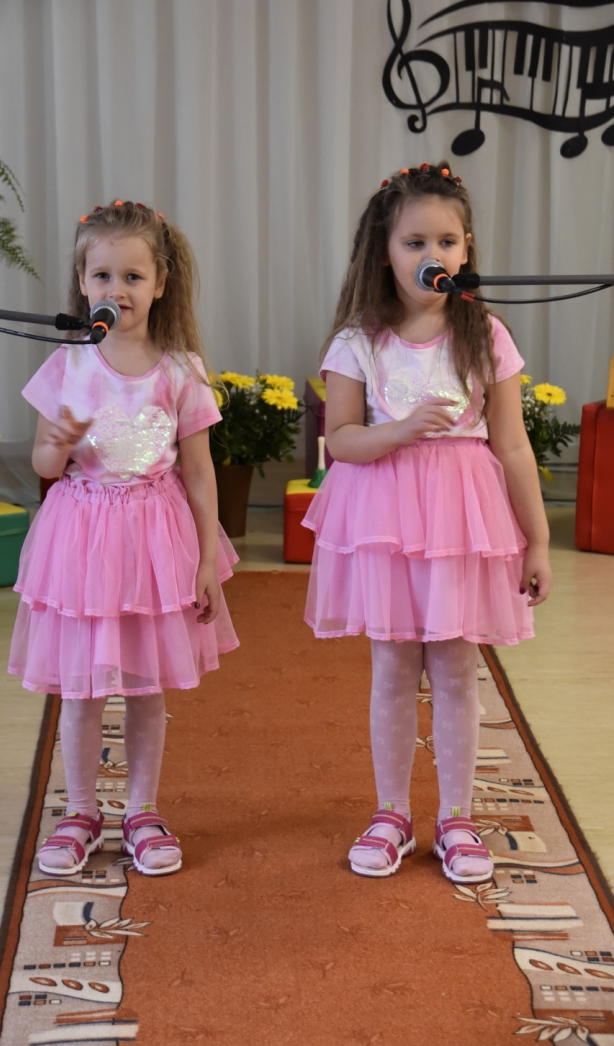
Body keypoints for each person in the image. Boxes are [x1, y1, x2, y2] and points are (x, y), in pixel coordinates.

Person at [303, 163, 551, 883]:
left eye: (446, 241)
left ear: (467, 249)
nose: (431, 255)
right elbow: (341, 439)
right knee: (392, 668)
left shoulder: (486, 335)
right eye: (414, 242)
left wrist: (536, 539)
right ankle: (390, 814)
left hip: (462, 519)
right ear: (384, 251)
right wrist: (402, 429)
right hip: (385, 517)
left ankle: (456, 818)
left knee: (455, 668)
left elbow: (512, 445)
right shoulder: (358, 340)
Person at [9, 200, 239, 877]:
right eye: (104, 276)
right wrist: (56, 442)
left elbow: (199, 472)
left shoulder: (180, 370)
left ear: (161, 282)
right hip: (83, 540)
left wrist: (205, 559)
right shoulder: (68, 365)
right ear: (83, 283)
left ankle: (142, 812)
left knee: (145, 685)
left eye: (133, 277)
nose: (119, 290)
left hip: (154, 542)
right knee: (82, 689)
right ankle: (81, 812)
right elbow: (45, 465)